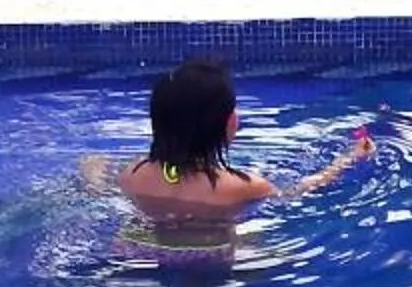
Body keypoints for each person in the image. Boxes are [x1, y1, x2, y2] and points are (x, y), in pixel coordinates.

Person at [107, 59, 371, 218]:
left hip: (137, 251)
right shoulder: (242, 187)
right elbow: (295, 193)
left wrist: (93, 167)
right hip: (210, 259)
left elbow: (99, 179)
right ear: (227, 123)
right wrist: (348, 159)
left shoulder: (133, 175)